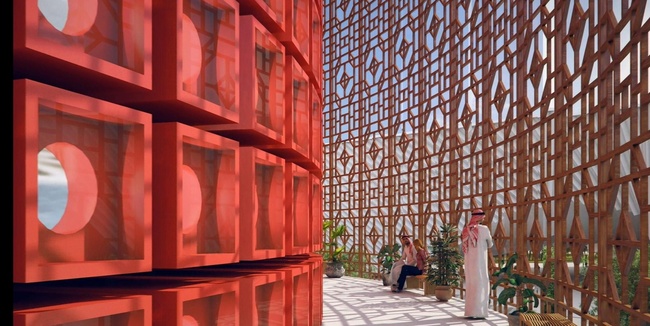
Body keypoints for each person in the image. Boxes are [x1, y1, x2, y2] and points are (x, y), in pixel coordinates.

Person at [461, 208, 494, 319]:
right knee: (481, 284)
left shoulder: (465, 230)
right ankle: (479, 312)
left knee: (471, 285)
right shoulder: (484, 229)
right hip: (480, 262)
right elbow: (490, 244)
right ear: (481, 218)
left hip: (469, 263)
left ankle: (470, 312)